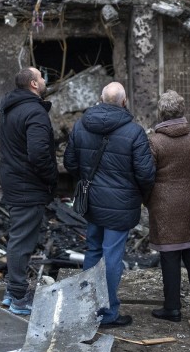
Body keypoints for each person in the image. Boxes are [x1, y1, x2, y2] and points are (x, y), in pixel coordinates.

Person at [64, 81, 155, 328]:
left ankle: (88, 307)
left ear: (100, 99)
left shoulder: (81, 125)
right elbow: (146, 173)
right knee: (112, 254)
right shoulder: (134, 132)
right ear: (124, 102)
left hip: (92, 200)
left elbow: (70, 163)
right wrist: (138, 193)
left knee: (93, 250)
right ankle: (108, 313)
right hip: (121, 203)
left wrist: (85, 177)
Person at [146, 90, 190, 324]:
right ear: (183, 111)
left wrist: (147, 200)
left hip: (164, 205)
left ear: (161, 113)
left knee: (170, 256)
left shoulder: (154, 141)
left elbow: (147, 175)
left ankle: (172, 308)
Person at [0, 67, 58, 316]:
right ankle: (19, 296)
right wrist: (51, 178)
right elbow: (38, 153)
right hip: (28, 186)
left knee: (18, 238)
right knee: (22, 241)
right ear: (34, 84)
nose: (45, 80)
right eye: (41, 77)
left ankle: (13, 292)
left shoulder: (9, 109)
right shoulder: (34, 111)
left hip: (14, 182)